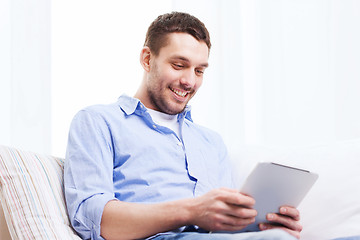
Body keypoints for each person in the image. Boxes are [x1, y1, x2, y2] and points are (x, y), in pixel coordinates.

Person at [64, 12, 302, 240]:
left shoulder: (211, 142)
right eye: (179, 65)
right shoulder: (98, 121)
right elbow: (92, 220)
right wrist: (191, 211)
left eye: (199, 71)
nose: (190, 81)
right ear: (147, 59)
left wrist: (263, 226)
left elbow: (225, 229)